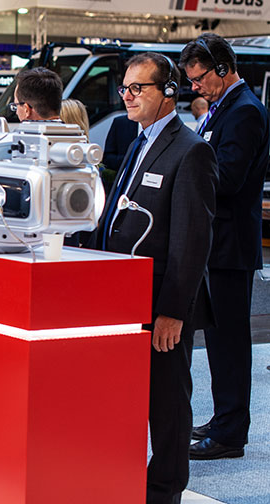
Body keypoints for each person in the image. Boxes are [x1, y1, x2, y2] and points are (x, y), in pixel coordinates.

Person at [97, 52, 216, 504]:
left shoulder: (191, 150)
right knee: (126, 396)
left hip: (161, 300)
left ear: (168, 92)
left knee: (167, 403)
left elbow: (191, 240)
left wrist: (172, 312)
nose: (127, 96)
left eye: (138, 88)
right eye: (125, 88)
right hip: (125, 295)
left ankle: (165, 490)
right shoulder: (138, 141)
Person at [181, 33, 270, 460]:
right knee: (219, 343)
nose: (194, 87)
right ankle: (223, 421)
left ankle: (231, 433)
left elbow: (229, 179)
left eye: (199, 78)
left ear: (222, 68)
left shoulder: (245, 111)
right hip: (219, 244)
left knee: (231, 344)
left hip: (230, 246)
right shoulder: (226, 108)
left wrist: (185, 180)